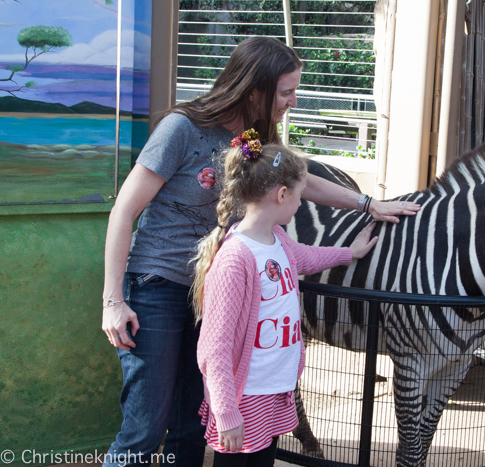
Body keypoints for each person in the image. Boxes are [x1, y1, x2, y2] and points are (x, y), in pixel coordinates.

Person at [101, 36, 419, 467]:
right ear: (255, 90)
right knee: (145, 427)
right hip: (157, 284)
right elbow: (123, 211)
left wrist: (368, 204)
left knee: (192, 424)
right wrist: (113, 301)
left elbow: (300, 178)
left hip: (212, 294)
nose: (291, 101)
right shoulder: (182, 128)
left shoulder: (249, 139)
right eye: (286, 92)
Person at [193, 136, 377, 466]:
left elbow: (304, 257)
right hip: (244, 398)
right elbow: (214, 347)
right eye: (300, 195)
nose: (302, 203)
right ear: (282, 195)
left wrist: (351, 253)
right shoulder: (236, 258)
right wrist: (226, 412)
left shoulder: (276, 238)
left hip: (273, 390)